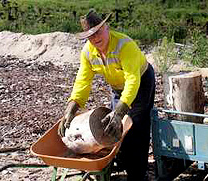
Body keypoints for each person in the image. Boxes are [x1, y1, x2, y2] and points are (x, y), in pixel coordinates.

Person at [58, 9, 155, 180]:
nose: (95, 38)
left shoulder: (124, 45)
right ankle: (122, 162)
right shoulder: (88, 52)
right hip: (118, 88)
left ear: (106, 27)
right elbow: (83, 81)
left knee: (134, 126)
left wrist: (120, 112)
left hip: (141, 83)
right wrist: (72, 108)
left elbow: (133, 80)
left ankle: (138, 174)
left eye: (98, 32)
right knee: (113, 129)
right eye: (90, 35)